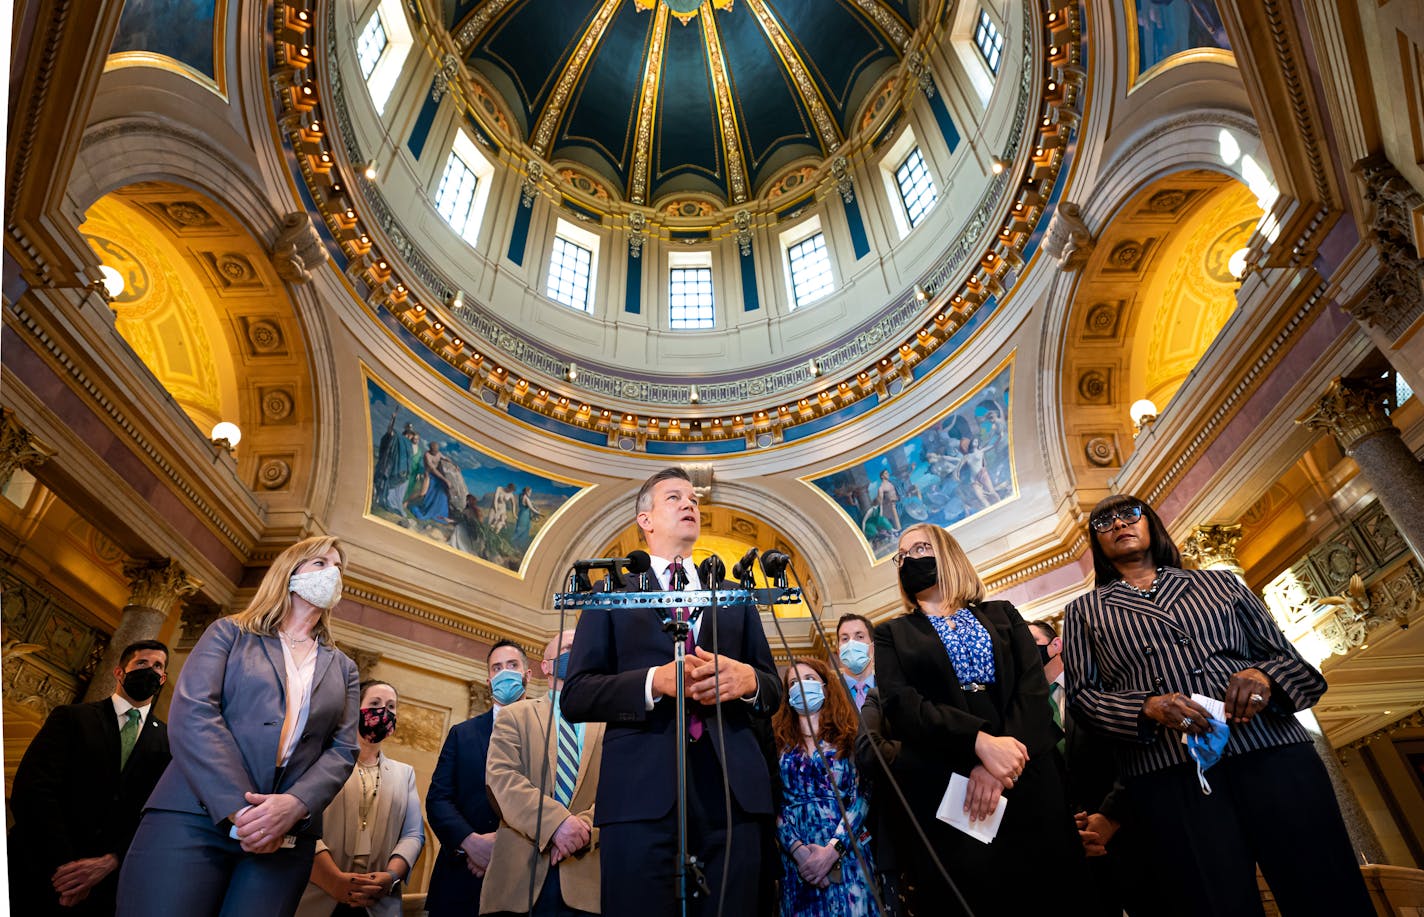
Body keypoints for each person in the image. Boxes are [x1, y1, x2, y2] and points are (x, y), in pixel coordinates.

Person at [1063, 495, 1374, 917]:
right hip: (1169, 776)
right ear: (1096, 541)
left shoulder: (1220, 584)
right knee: (1214, 905)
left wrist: (1263, 677)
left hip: (1273, 752)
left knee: (1326, 890)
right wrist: (1147, 707)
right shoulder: (1083, 611)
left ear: (1151, 524)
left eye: (1129, 515)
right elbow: (1084, 699)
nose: (1119, 524)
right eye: (1104, 521)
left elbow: (1295, 666)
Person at [562, 466, 782, 917]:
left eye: (694, 501)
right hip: (642, 798)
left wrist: (750, 681)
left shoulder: (735, 594)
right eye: (674, 498)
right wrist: (652, 682)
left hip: (732, 795)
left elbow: (774, 688)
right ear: (645, 520)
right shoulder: (610, 593)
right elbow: (578, 694)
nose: (689, 505)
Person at [116, 536, 361, 917]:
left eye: (339, 568)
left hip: (287, 833)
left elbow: (344, 749)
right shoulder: (229, 633)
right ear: (290, 572)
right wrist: (241, 810)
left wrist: (295, 805)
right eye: (321, 563)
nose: (333, 574)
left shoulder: (344, 667)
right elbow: (195, 713)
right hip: (194, 815)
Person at [873, 523, 1083, 917]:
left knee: (1053, 892)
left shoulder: (1001, 614)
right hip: (953, 783)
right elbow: (903, 705)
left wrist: (999, 763)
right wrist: (980, 744)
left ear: (947, 554)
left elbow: (1032, 688)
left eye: (920, 548)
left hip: (1028, 772)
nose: (908, 560)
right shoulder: (892, 634)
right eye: (901, 556)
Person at [7, 639, 171, 915]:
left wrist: (110, 861)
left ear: (164, 678)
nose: (151, 671)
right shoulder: (72, 718)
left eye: (158, 666)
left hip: (104, 886)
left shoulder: (169, 741)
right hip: (38, 867)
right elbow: (33, 790)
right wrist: (67, 866)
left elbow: (154, 813)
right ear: (119, 672)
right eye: (142, 663)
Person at [482, 630, 605, 916]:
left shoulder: (608, 723)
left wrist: (581, 829)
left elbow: (620, 789)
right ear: (545, 666)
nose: (574, 653)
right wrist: (557, 823)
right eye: (566, 647)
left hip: (587, 879)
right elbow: (501, 779)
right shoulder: (515, 714)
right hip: (518, 880)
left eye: (581, 647)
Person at [1028, 619, 1137, 916]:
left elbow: (1130, 751)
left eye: (1028, 643)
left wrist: (1111, 815)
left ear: (1055, 645)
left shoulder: (1099, 683)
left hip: (1132, 826)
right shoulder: (1027, 712)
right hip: (1079, 849)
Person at [296, 680, 425, 916]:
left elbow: (413, 835)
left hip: (376, 900)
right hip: (318, 893)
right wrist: (333, 879)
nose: (383, 712)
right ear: (355, 709)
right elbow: (301, 823)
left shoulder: (404, 773)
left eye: (391, 707)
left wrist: (390, 876)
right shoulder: (321, 761)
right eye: (375, 703)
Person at [426, 639, 530, 917]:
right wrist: (471, 843)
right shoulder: (463, 734)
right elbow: (438, 799)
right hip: (461, 880)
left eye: (512, 665)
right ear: (488, 680)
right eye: (497, 668)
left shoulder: (547, 734)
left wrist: (505, 845)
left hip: (523, 882)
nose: (504, 672)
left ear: (527, 675)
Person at [774, 657, 875, 917]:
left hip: (849, 857)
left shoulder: (849, 736)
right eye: (794, 682)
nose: (801, 686)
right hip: (798, 864)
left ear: (825, 686)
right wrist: (800, 854)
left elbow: (862, 797)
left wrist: (833, 850)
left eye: (809, 679)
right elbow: (774, 803)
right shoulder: (777, 743)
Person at [835, 614, 876, 710]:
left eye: (859, 637)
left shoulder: (887, 688)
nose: (851, 643)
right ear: (839, 651)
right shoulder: (830, 692)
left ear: (873, 647)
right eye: (845, 639)